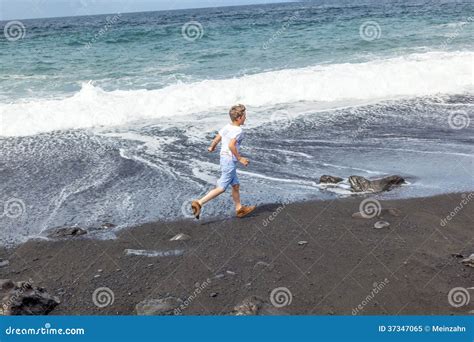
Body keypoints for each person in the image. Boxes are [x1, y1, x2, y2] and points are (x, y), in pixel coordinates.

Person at [191, 104, 256, 219]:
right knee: (221, 188)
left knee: (235, 185)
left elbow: (218, 137)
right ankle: (199, 203)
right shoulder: (239, 131)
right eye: (245, 116)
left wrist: (212, 147)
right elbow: (231, 145)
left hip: (224, 159)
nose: (246, 118)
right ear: (239, 118)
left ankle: (239, 209)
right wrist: (240, 158)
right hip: (230, 161)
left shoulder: (227, 126)